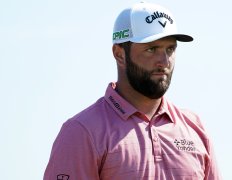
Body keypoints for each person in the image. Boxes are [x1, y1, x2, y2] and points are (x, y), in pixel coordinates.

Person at [44, 2, 220, 180]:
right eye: (151, 49)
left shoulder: (195, 128)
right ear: (119, 54)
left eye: (170, 49)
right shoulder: (82, 132)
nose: (164, 61)